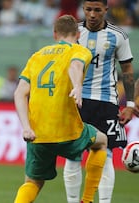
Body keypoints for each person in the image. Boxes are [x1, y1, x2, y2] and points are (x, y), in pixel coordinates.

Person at [13, 15, 107, 203]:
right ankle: (87, 200)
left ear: (55, 34)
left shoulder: (37, 56)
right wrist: (77, 87)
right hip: (68, 131)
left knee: (33, 182)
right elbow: (75, 66)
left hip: (37, 133)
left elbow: (19, 93)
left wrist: (26, 127)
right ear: (78, 34)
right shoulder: (80, 50)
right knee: (102, 141)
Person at [63, 1, 136, 203]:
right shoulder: (73, 32)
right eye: (88, 9)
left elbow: (127, 71)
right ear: (83, 9)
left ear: (106, 10)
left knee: (107, 153)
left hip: (106, 102)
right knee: (73, 153)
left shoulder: (118, 35)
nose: (92, 14)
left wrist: (129, 105)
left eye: (97, 10)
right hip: (76, 100)